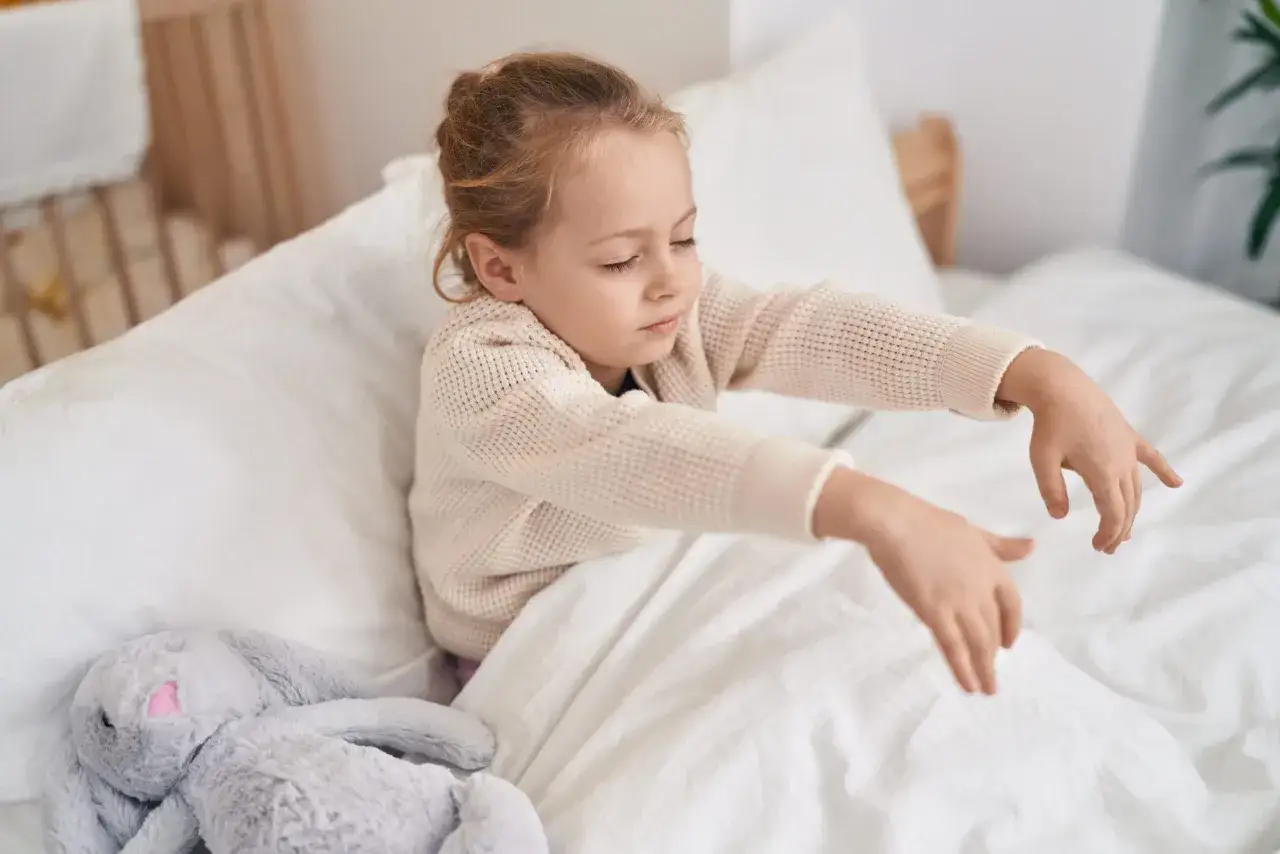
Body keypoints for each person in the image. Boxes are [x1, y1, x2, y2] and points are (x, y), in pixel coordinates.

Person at [408, 51, 1182, 697]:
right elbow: (634, 449)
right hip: (528, 657)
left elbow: (816, 331)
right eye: (619, 259)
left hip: (651, 586)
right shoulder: (484, 372)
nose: (670, 281)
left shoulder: (676, 313)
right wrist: (878, 510)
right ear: (500, 267)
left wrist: (1034, 373)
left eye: (683, 239)